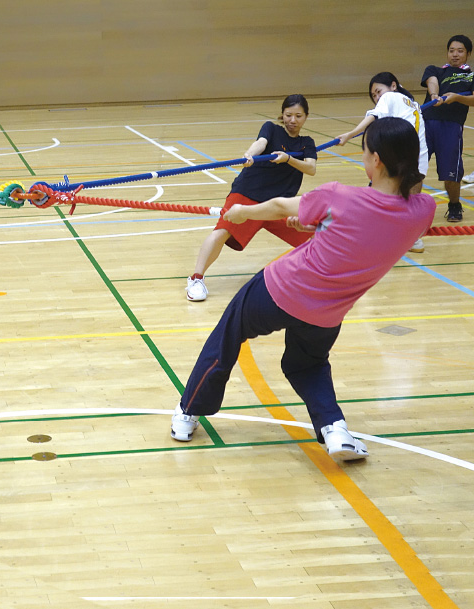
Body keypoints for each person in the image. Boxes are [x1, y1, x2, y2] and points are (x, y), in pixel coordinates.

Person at [171, 117, 435, 462]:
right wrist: (322, 224)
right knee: (306, 365)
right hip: (327, 316)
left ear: (376, 160)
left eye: (364, 151)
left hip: (279, 290)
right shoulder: (424, 211)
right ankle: (334, 429)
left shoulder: (339, 196)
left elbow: (280, 207)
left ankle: (188, 412)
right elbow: (372, 227)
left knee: (228, 334)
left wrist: (242, 212)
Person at [186, 94, 317, 302]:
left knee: (314, 233)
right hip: (248, 193)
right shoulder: (271, 128)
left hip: (278, 205)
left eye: (298, 116)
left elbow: (311, 168)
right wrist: (249, 155)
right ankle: (196, 279)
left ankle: (330, 276)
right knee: (222, 231)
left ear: (306, 117)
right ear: (282, 115)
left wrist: (288, 159)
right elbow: (260, 143)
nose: (293, 120)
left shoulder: (306, 143)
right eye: (288, 115)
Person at [338, 71, 428, 253]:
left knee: (380, 196)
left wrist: (350, 134)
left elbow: (373, 117)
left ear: (393, 86)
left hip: (400, 153)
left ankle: (365, 233)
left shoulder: (390, 97)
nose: (377, 97)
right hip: (419, 155)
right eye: (374, 96)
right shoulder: (412, 104)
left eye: (378, 91)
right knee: (410, 198)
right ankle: (412, 238)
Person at [420, 35, 474, 222]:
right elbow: (432, 81)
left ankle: (454, 205)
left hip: (451, 127)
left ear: (468, 54)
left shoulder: (471, 76)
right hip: (425, 125)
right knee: (414, 171)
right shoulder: (434, 70)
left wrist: (457, 97)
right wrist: (435, 95)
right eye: (451, 51)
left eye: (460, 51)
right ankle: (410, 208)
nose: (455, 54)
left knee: (451, 174)